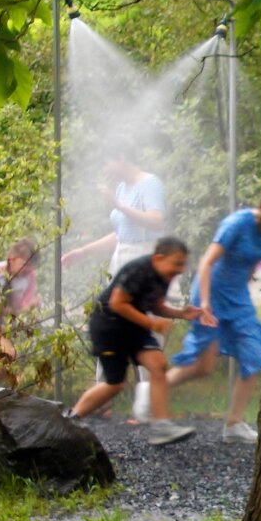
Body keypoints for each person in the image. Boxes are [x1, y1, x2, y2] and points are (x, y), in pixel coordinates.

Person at [163, 186, 261, 443]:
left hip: (238, 299)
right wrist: (206, 304)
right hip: (210, 294)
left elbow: (249, 266)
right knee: (204, 366)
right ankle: (153, 391)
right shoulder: (236, 223)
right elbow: (206, 263)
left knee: (254, 355)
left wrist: (242, 296)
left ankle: (233, 425)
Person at [61, 152, 173, 420]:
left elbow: (156, 220)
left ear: (122, 158)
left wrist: (117, 204)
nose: (106, 169)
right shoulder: (123, 188)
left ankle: (147, 407)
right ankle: (102, 399)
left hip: (144, 258)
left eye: (107, 161)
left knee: (143, 328)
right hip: (122, 256)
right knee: (111, 322)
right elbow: (121, 233)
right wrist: (84, 251)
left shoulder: (150, 183)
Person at [66, 237, 201, 446]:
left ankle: (161, 426)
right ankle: (70, 421)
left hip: (134, 326)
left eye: (183, 264)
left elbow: (155, 304)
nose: (180, 269)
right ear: (158, 257)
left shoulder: (163, 276)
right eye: (177, 263)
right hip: (109, 326)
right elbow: (117, 303)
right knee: (114, 384)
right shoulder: (138, 270)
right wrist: (151, 324)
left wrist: (181, 313)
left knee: (158, 365)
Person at [0, 239, 41, 388]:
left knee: (5, 362)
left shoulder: (29, 277)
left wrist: (29, 306)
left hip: (5, 327)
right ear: (12, 260)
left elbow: (22, 304)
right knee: (8, 355)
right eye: (25, 265)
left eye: (30, 266)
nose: (27, 270)